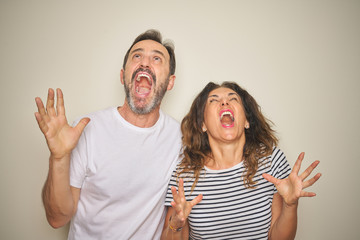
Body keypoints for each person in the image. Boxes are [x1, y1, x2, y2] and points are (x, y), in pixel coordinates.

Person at [34, 29, 182, 239]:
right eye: (137, 56)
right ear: (123, 76)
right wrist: (58, 158)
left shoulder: (178, 139)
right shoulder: (88, 128)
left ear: (170, 82)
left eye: (156, 58)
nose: (145, 63)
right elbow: (57, 218)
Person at [161, 81, 321, 240]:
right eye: (213, 100)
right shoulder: (185, 176)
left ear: (246, 121)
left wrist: (290, 205)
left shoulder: (272, 161)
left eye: (233, 99)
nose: (224, 102)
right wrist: (176, 224)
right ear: (203, 124)